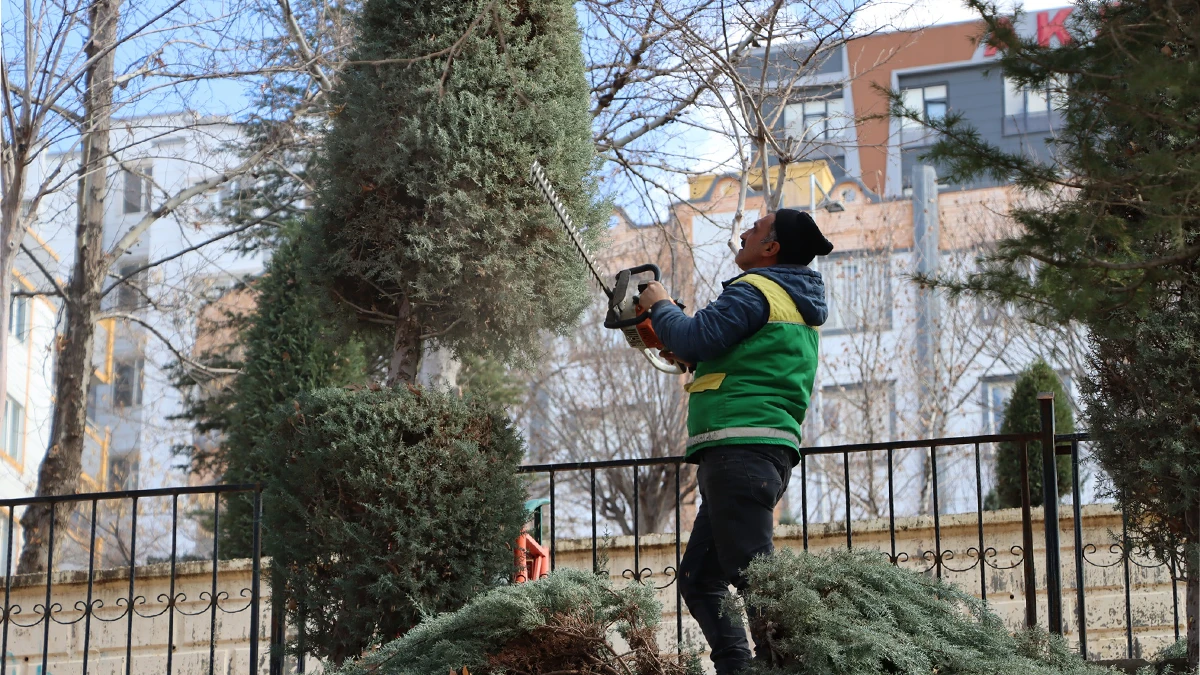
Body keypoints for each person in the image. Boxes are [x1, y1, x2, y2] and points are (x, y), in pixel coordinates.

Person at [637, 208, 833, 674]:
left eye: (757, 228)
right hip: (756, 451)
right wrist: (679, 341)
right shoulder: (792, 299)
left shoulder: (756, 289)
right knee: (700, 579)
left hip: (739, 449)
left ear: (772, 247)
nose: (744, 231)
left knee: (755, 579)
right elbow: (710, 348)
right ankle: (738, 667)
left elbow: (697, 336)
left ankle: (784, 666)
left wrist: (661, 304)